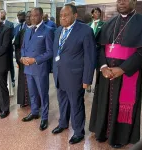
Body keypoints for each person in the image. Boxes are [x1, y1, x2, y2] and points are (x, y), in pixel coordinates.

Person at [89, 0, 142, 148]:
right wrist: (103, 67)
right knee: (104, 101)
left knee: (123, 105)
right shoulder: (109, 22)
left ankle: (119, 137)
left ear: (134, 2)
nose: (121, 2)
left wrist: (122, 69)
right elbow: (100, 47)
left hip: (128, 72)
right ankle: (102, 132)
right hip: (106, 72)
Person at [51, 4, 96, 144]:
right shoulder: (58, 31)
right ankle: (63, 123)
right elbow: (56, 52)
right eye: (61, 15)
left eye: (66, 15)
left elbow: (90, 57)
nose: (62, 17)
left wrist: (87, 79)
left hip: (75, 76)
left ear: (75, 15)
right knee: (62, 101)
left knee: (76, 104)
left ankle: (78, 131)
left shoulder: (85, 31)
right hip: (59, 74)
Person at [21, 7, 53, 131]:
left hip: (40, 68)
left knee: (43, 94)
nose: (32, 18)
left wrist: (35, 59)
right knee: (32, 93)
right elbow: (23, 47)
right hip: (28, 68)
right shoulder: (28, 30)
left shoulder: (48, 30)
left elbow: (50, 52)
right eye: (31, 16)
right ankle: (34, 112)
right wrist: (23, 57)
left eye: (35, 15)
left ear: (41, 16)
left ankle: (44, 117)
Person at [14, 11, 32, 108]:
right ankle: (23, 100)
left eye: (31, 17)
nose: (29, 19)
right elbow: (16, 47)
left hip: (33, 62)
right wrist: (19, 58)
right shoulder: (21, 32)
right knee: (22, 81)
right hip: (22, 61)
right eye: (27, 17)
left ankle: (33, 102)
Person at [86, 7, 104, 93]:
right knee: (89, 68)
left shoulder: (103, 24)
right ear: (92, 14)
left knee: (98, 69)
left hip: (98, 50)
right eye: (95, 12)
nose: (97, 13)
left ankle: (97, 86)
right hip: (89, 50)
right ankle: (88, 84)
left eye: (98, 12)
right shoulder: (88, 25)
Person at [0, 9, 15, 87]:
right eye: (0, 13)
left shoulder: (10, 24)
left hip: (8, 47)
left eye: (2, 12)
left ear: (5, 13)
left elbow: (12, 35)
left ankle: (12, 80)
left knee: (10, 64)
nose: (1, 14)